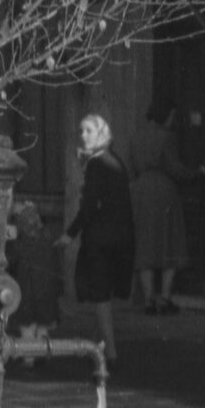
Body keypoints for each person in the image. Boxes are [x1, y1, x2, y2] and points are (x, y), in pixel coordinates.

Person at [60, 113, 133, 365]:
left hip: (102, 237)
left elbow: (89, 205)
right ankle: (100, 343)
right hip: (117, 235)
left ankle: (109, 351)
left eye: (88, 131)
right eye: (81, 131)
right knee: (101, 292)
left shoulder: (98, 163)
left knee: (99, 292)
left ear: (101, 134)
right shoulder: (112, 160)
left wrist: (70, 234)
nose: (83, 135)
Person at [130, 101, 199, 315]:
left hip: (140, 191)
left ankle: (149, 298)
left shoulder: (136, 136)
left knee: (144, 244)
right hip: (163, 190)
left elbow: (131, 166)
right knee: (171, 243)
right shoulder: (166, 136)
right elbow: (175, 167)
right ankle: (165, 297)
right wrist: (196, 172)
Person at [6, 199, 62, 365]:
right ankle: (44, 353)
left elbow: (10, 262)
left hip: (26, 290)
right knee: (43, 326)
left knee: (27, 327)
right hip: (46, 291)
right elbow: (56, 266)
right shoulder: (48, 239)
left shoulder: (18, 243)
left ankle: (29, 358)